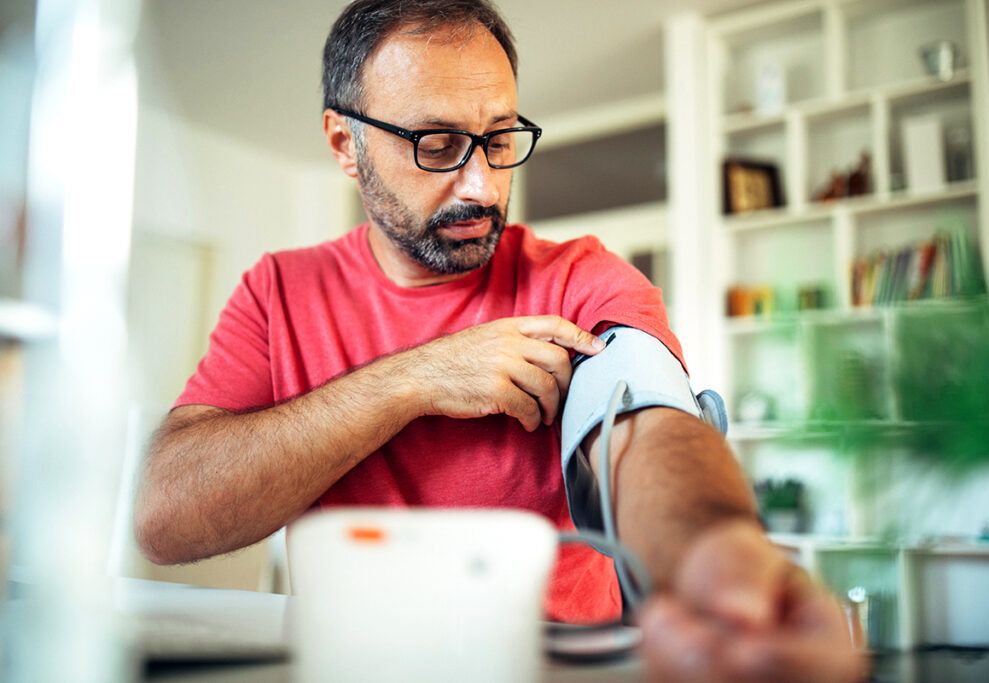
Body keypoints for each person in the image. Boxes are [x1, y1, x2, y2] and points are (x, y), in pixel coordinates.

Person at [134, 1, 864, 680]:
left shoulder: (582, 276)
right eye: (439, 144)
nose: (481, 184)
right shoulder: (279, 292)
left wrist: (717, 551)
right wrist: (414, 380)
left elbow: (648, 427)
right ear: (344, 144)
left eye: (501, 137)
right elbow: (164, 516)